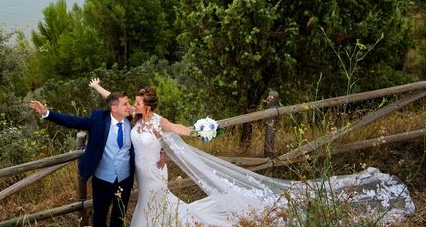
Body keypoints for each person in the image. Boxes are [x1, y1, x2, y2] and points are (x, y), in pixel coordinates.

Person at [89, 78, 416, 227]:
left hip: (157, 173)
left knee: (159, 203)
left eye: (139, 99)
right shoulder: (132, 116)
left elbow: (184, 132)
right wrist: (99, 87)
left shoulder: (160, 122)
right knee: (146, 202)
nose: (133, 102)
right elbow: (114, 103)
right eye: (134, 99)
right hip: (143, 172)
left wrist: (207, 128)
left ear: (150, 105)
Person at [29, 92, 135, 227]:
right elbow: (72, 121)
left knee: (119, 216)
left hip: (124, 179)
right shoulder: (98, 119)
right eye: (125, 104)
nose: (129, 106)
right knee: (99, 217)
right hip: (103, 179)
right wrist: (47, 113)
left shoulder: (130, 119)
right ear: (114, 108)